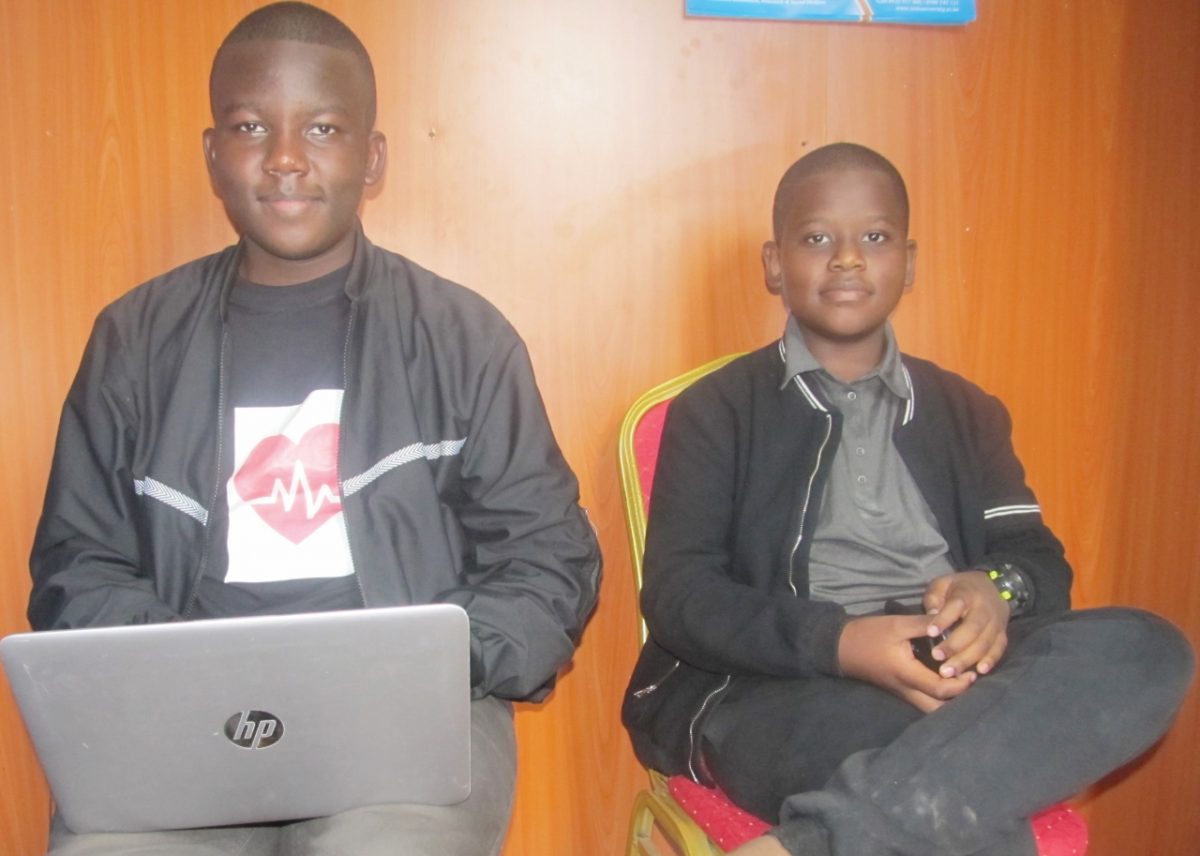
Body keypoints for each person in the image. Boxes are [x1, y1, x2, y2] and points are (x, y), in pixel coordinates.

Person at [28, 3, 600, 854]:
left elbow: (550, 557)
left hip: (403, 721)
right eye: (252, 126)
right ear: (213, 155)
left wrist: (437, 660)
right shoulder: (133, 340)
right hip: (187, 717)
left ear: (372, 159)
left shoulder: (462, 337)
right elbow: (76, 566)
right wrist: (193, 667)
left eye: (323, 127)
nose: (286, 158)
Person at [621, 142, 1193, 856]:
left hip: (954, 670)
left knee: (1146, 649)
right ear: (775, 264)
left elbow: (1036, 562)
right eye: (818, 237)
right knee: (950, 779)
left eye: (876, 238)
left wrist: (994, 592)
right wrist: (842, 642)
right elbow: (681, 597)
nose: (849, 259)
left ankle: (810, 843)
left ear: (910, 262)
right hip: (782, 685)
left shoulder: (966, 410)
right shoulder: (717, 410)